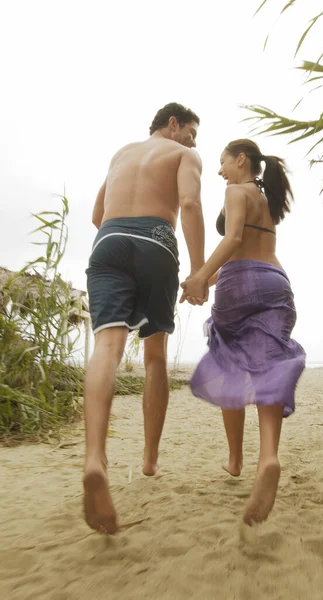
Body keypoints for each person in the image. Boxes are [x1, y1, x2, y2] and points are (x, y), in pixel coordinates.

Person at [84, 102, 207, 534]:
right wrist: (199, 271)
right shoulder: (183, 156)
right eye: (191, 132)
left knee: (107, 347)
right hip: (156, 238)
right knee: (155, 355)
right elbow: (189, 205)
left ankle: (95, 459)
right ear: (172, 125)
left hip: (109, 239)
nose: (194, 142)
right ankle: (150, 460)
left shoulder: (121, 153)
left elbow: (97, 216)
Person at [181, 139, 305, 526]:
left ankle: (235, 460)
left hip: (241, 285)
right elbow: (246, 249)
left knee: (229, 366)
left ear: (240, 160)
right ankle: (267, 457)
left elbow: (232, 239)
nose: (219, 171)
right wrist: (205, 281)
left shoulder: (236, 190)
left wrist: (199, 275)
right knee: (269, 368)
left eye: (222, 162)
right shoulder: (266, 200)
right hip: (275, 281)